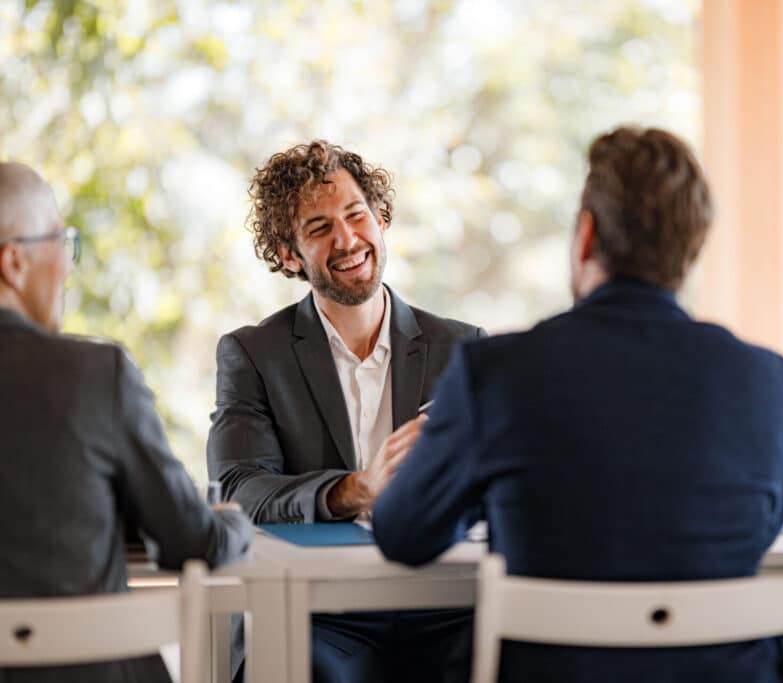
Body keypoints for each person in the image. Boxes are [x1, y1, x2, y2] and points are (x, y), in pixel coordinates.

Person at [373, 126, 783, 683]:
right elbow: (756, 531)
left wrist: (482, 498)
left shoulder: (496, 373)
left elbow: (404, 533)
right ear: (690, 250)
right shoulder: (769, 381)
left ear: (586, 236)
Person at [207, 140, 485, 683]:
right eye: (319, 228)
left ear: (380, 219)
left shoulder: (463, 347)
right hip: (317, 617)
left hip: (444, 606)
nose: (348, 239)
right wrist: (355, 489)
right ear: (289, 254)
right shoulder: (252, 354)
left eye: (357, 216)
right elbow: (239, 488)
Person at [0, 163, 252, 683]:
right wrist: (233, 519)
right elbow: (192, 541)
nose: (68, 266)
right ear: (14, 262)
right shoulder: (95, 374)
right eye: (60, 241)